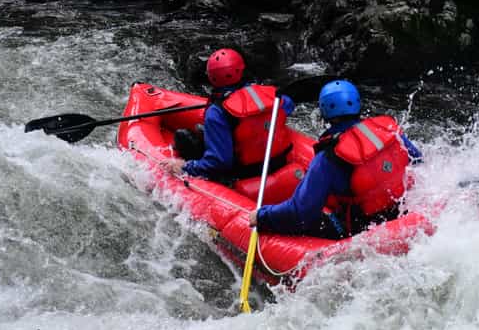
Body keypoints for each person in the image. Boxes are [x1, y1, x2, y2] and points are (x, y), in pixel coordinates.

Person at [249, 79, 422, 239]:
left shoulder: (328, 158)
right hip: (401, 213)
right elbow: (419, 161)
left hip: (359, 233)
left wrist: (262, 215)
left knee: (309, 220)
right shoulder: (388, 132)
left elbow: (300, 213)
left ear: (324, 112)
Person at [162, 48, 295, 181]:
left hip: (243, 174)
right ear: (242, 69)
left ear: (211, 77)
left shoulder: (217, 113)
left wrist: (186, 167)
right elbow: (289, 105)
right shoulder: (271, 95)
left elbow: (218, 162)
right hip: (277, 163)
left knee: (183, 137)